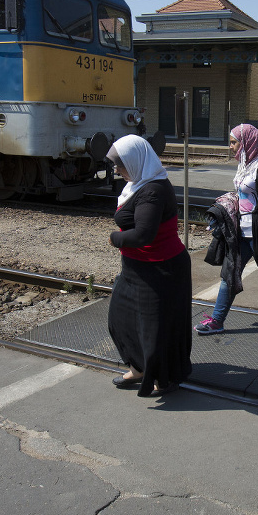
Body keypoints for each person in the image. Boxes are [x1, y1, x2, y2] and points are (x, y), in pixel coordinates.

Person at [106, 135, 192, 397]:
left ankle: (162, 378)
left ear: (134, 161)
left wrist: (115, 238)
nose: (116, 170)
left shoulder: (152, 190)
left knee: (156, 331)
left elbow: (144, 234)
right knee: (120, 319)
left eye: (118, 164)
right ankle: (140, 367)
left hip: (160, 270)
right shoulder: (137, 184)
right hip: (135, 268)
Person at [195, 123, 258, 334]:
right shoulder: (245, 165)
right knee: (229, 275)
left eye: (233, 142)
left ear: (247, 142)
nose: (230, 146)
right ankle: (217, 321)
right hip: (240, 234)